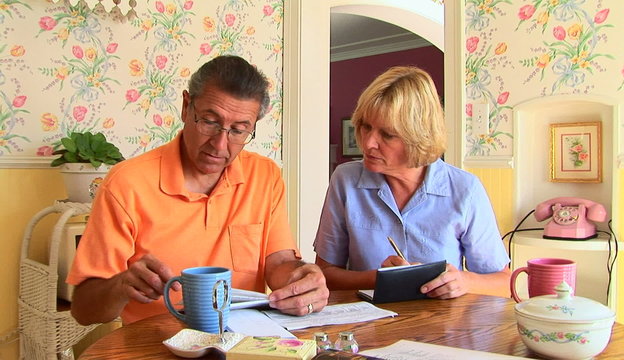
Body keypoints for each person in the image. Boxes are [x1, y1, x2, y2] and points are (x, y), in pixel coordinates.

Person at [68, 55, 329, 326]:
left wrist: (302, 279)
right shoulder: (126, 184)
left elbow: (279, 264)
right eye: (209, 122)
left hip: (243, 343)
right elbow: (83, 310)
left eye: (239, 131)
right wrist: (121, 285)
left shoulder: (265, 175)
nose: (219, 144)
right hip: (155, 346)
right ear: (185, 106)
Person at [313, 66, 511, 299]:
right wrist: (379, 278)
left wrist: (463, 281)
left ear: (419, 136)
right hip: (368, 326)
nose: (368, 144)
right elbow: (325, 275)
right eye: (366, 127)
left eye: (387, 135)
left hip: (443, 330)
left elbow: (504, 282)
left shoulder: (464, 189)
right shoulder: (345, 180)